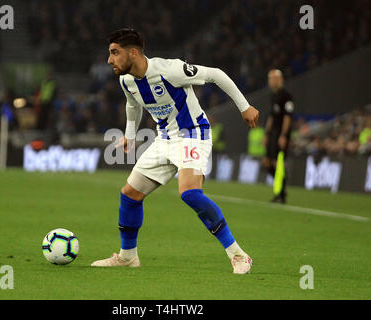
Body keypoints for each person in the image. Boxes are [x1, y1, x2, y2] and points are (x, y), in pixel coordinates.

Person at [91, 29, 259, 274]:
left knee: (189, 193)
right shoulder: (126, 80)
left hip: (193, 134)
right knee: (129, 195)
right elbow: (132, 105)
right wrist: (129, 135)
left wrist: (245, 107)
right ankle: (128, 257)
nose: (109, 60)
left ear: (134, 52)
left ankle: (239, 255)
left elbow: (216, 74)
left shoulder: (169, 70)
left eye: (115, 53)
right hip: (164, 139)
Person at [262, 69, 294, 204]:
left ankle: (281, 194)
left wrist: (284, 136)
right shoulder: (273, 96)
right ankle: (280, 191)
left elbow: (287, 117)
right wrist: (266, 134)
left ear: (279, 79)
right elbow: (271, 116)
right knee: (267, 163)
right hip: (272, 134)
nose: (270, 81)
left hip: (280, 134)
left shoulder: (286, 96)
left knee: (277, 163)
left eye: (272, 78)